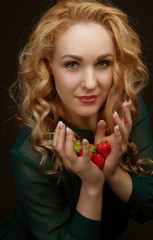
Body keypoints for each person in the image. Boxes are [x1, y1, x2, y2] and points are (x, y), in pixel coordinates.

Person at [1, 0, 153, 239]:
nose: (91, 83)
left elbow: (148, 208)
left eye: (103, 63)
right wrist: (92, 184)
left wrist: (112, 172)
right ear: (49, 65)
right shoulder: (29, 152)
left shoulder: (126, 106)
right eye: (72, 64)